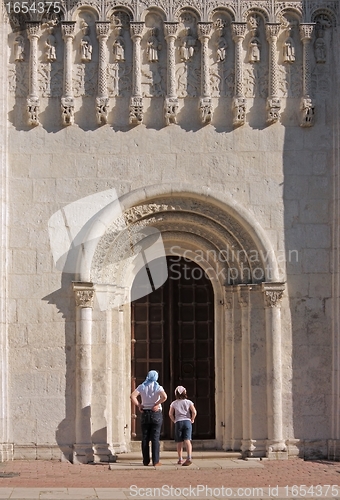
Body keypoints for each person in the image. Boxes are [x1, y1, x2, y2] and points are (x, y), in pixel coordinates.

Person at [130, 370, 167, 466]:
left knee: (145, 438)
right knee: (155, 438)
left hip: (145, 412)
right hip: (155, 413)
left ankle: (145, 460)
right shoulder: (158, 387)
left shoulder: (142, 386)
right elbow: (164, 397)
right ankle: (156, 461)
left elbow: (133, 396)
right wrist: (157, 404)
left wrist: (139, 405)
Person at [169, 386, 197, 466]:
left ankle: (180, 458)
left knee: (179, 441)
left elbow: (170, 414)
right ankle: (189, 457)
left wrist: (174, 420)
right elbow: (194, 412)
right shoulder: (188, 402)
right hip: (187, 421)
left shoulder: (174, 403)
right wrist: (192, 419)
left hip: (178, 422)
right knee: (187, 440)